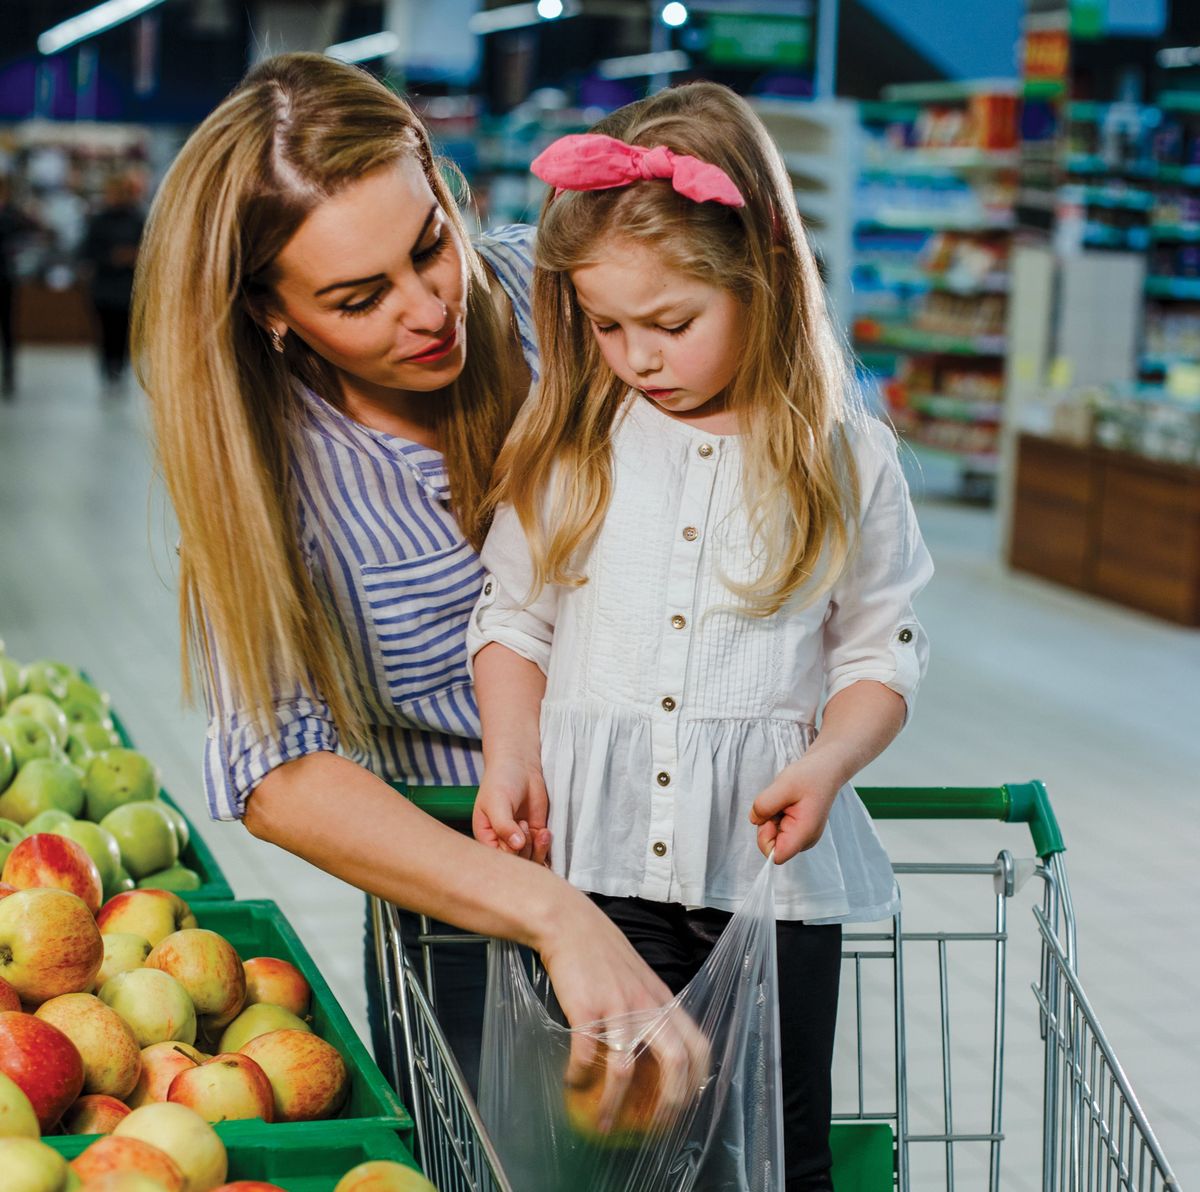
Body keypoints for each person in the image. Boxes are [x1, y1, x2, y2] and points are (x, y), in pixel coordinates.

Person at [130, 51, 702, 1104]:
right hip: (468, 918)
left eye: (430, 244)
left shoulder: (571, 305)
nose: (429, 306)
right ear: (273, 311)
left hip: (691, 860)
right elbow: (278, 770)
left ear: (439, 180)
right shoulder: (269, 471)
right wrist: (551, 910)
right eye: (359, 298)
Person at [467, 82, 934, 1190]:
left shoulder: (842, 457)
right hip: (599, 864)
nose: (637, 354)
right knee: (608, 1150)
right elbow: (513, 620)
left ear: (761, 280)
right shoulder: (573, 445)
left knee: (782, 1145)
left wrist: (827, 763)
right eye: (605, 324)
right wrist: (510, 749)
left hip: (767, 876)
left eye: (671, 323)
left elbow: (883, 651)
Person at [81, 171, 145, 395]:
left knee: (125, 332)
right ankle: (107, 371)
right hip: (103, 287)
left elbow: (151, 250)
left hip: (128, 288)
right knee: (106, 332)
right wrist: (111, 257)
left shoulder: (138, 219)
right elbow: (87, 252)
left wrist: (134, 256)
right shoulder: (98, 221)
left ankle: (121, 369)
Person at [0, 175, 40, 400]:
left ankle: (9, 374)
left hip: (4, 279)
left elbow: (32, 231)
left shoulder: (12, 214)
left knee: (7, 329)